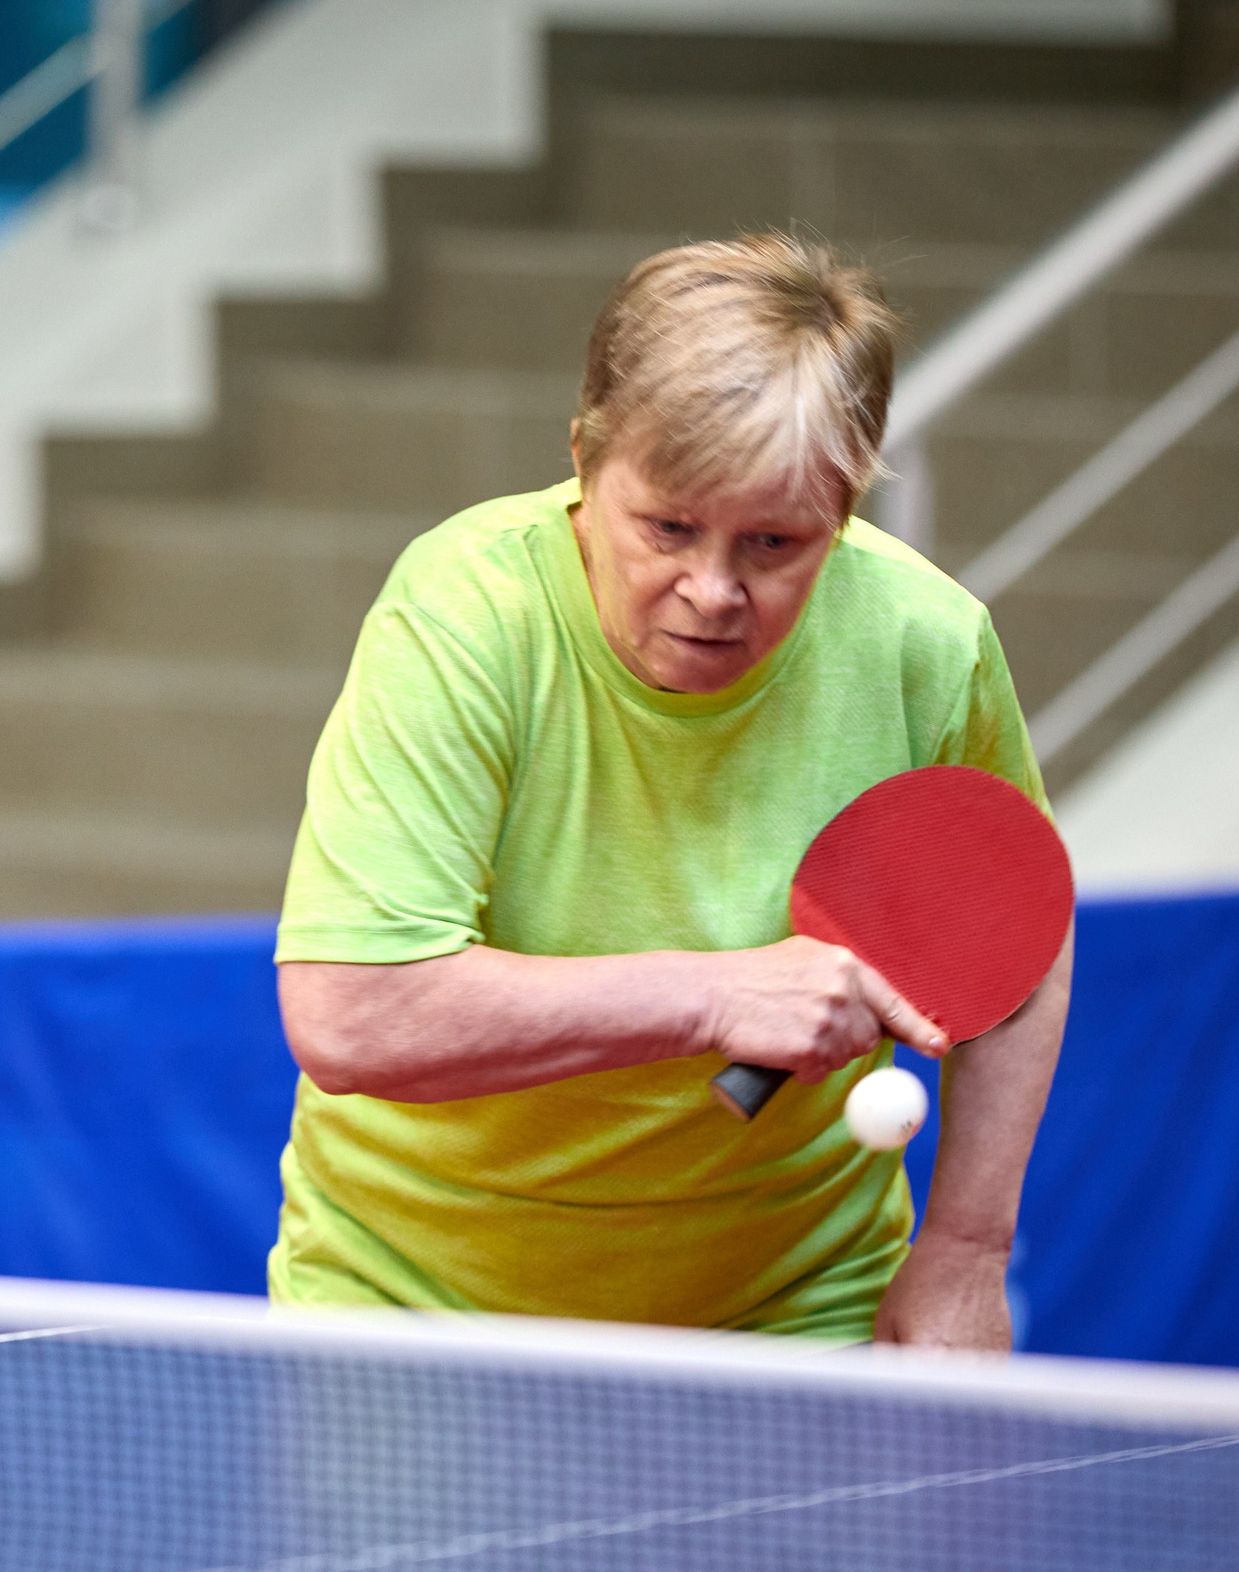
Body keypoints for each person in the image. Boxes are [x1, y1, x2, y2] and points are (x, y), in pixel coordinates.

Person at [268, 234, 1071, 1349]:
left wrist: (965, 1251)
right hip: (421, 1302)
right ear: (585, 461)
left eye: (774, 543)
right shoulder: (465, 615)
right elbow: (352, 1013)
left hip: (794, 1301)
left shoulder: (922, 643)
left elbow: (1014, 935)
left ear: (841, 514)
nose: (711, 590)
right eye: (668, 528)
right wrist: (714, 997)